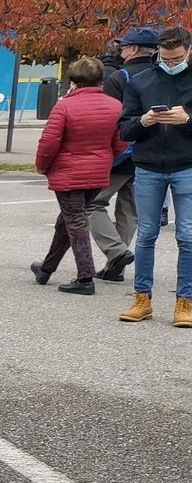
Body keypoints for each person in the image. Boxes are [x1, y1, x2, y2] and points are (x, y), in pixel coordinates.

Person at [116, 22, 192, 327]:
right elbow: (124, 129)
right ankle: (141, 299)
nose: (171, 64)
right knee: (146, 234)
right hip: (148, 167)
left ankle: (184, 302)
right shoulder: (140, 82)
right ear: (158, 53)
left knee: (187, 236)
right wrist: (145, 121)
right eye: (165, 58)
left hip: (187, 166)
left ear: (189, 52)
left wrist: (187, 120)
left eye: (176, 59)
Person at [31, 54, 119, 295]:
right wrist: (107, 159)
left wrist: (42, 165)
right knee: (68, 221)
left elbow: (49, 142)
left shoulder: (65, 106)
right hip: (98, 171)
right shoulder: (115, 106)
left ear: (74, 79)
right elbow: (120, 142)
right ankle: (46, 269)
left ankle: (85, 277)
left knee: (75, 221)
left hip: (69, 172)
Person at [93, 26, 156, 279]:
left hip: (121, 151)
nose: (121, 50)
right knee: (129, 208)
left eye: (124, 45)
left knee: (92, 203)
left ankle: (116, 251)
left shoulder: (119, 78)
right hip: (148, 154)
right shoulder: (160, 77)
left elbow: (109, 117)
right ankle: (114, 264)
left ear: (134, 49)